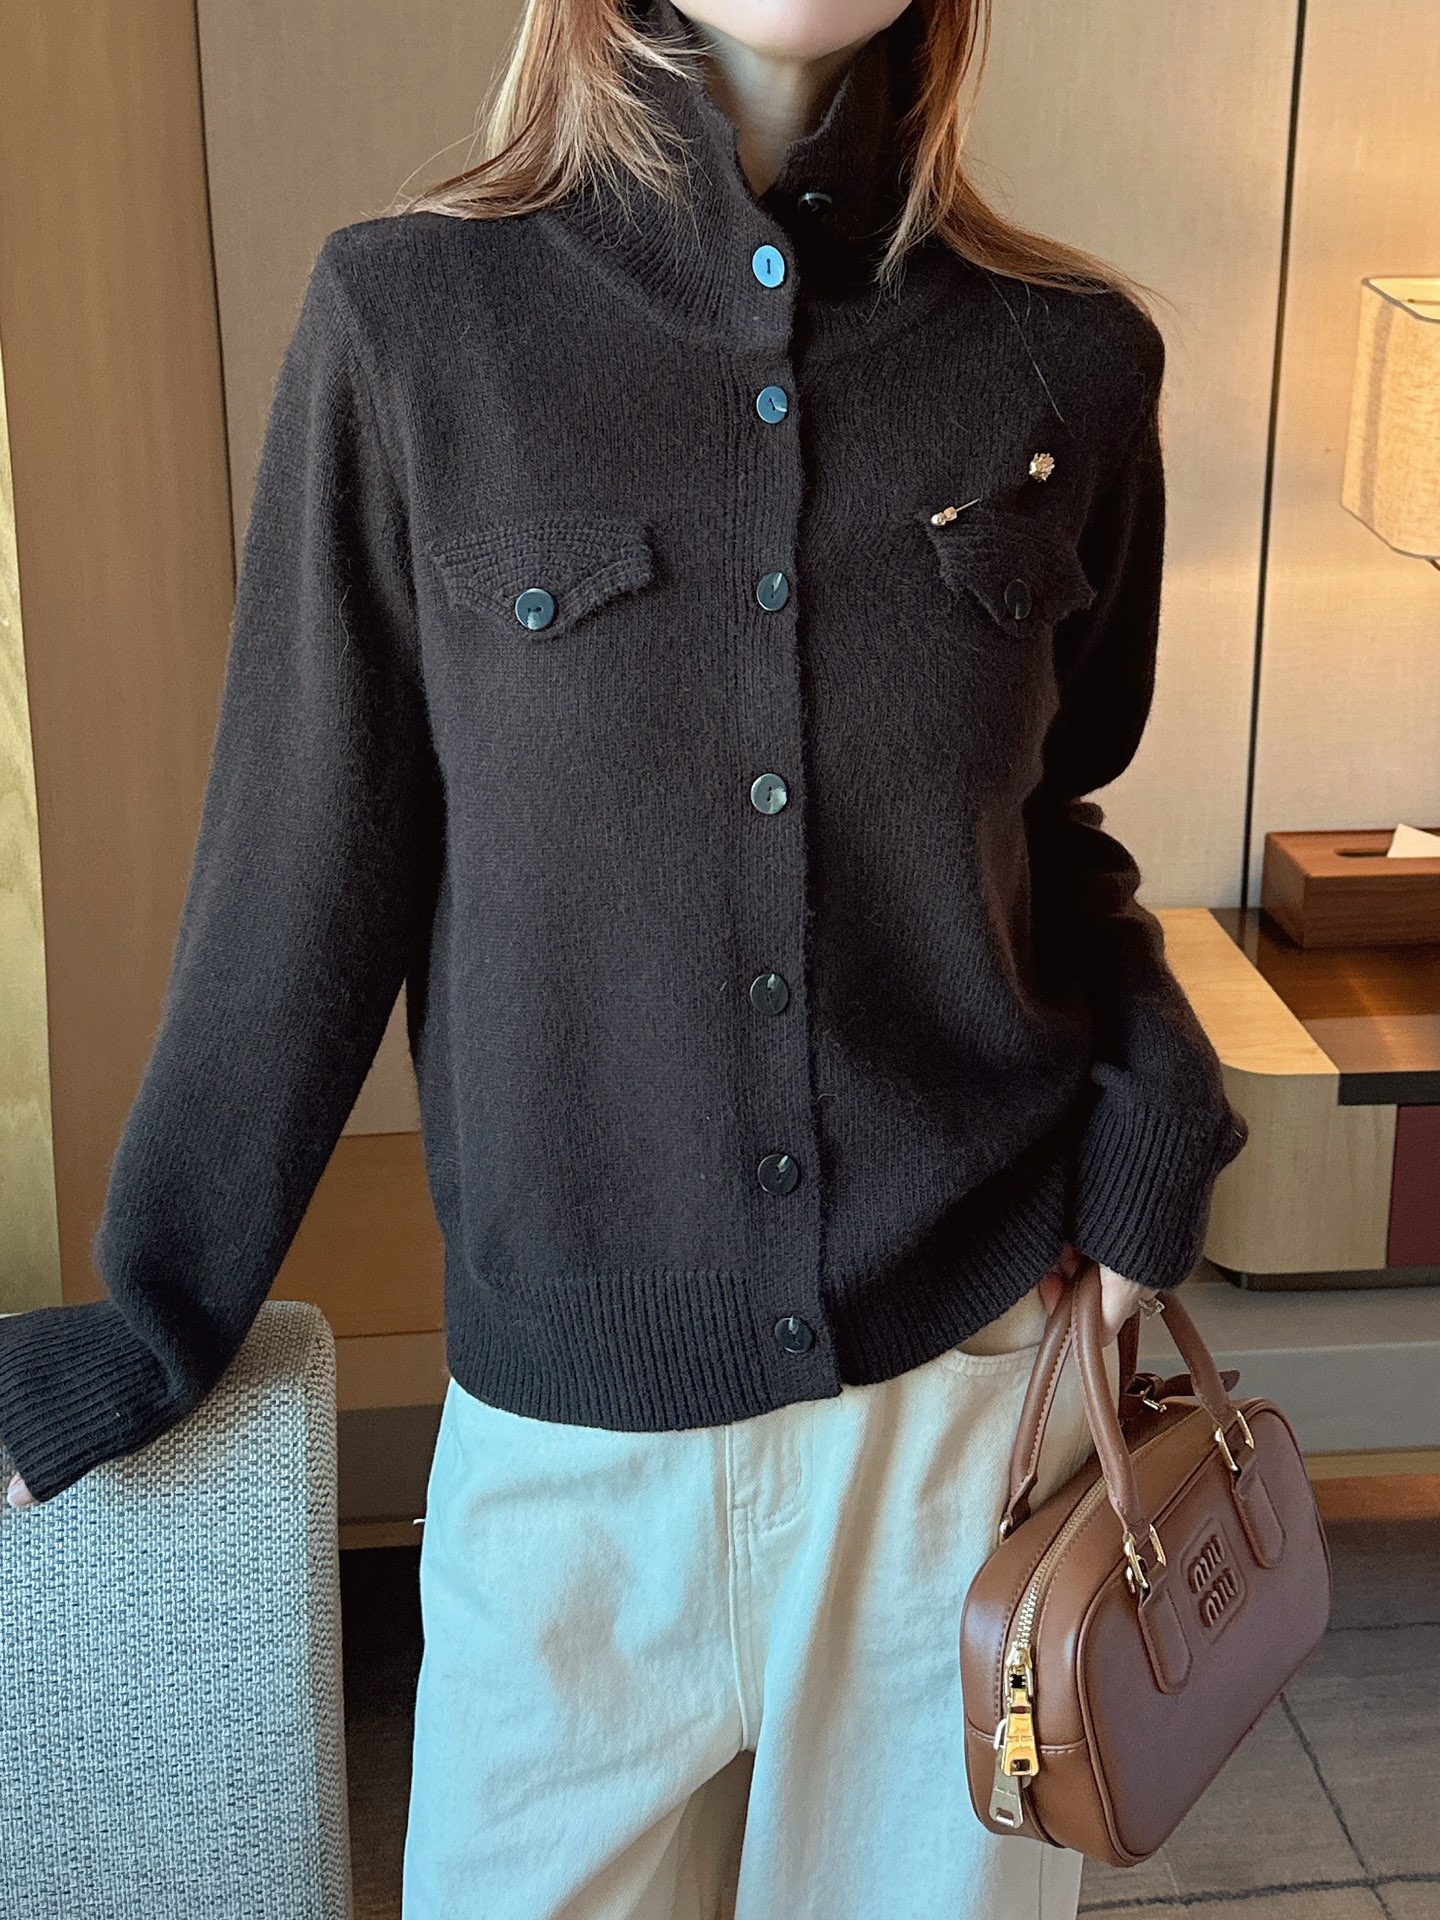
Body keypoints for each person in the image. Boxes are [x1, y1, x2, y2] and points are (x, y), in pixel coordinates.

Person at [0, 0, 1248, 1912]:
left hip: (963, 1410)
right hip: (568, 1456)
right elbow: (303, 870)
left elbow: (1053, 827)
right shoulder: (412, 326)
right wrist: (156, 1315)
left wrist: (1155, 1113)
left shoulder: (1070, 358)